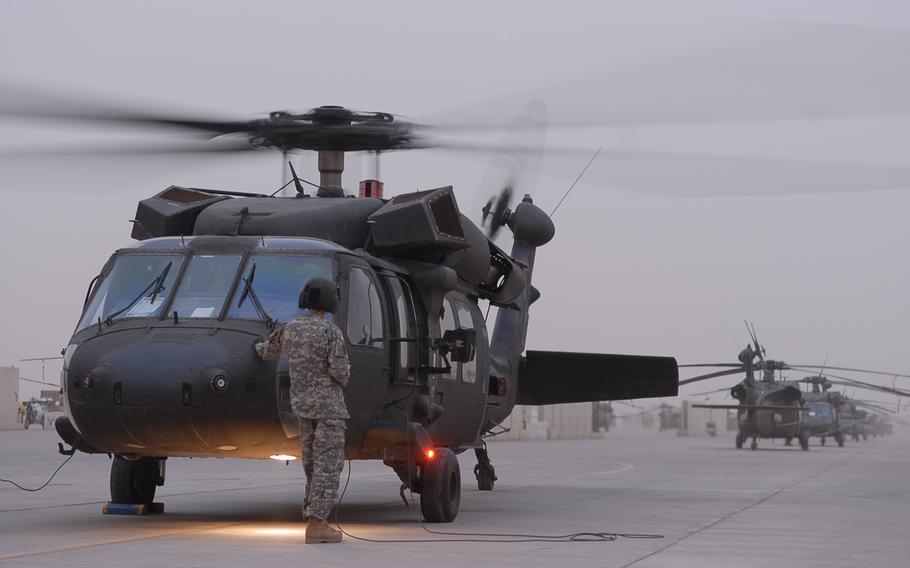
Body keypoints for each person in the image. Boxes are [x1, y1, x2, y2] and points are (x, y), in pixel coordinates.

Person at [255, 277, 350, 544]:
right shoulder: (330, 332)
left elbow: (265, 351)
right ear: (329, 301)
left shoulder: (290, 329)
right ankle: (318, 524)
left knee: (311, 466)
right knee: (328, 466)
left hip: (302, 410)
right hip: (329, 410)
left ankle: (312, 517)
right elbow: (341, 373)